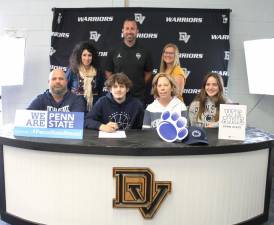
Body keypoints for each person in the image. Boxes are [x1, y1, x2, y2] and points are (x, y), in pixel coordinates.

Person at [105, 18, 153, 104]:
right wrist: (116, 86)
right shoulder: (114, 50)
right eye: (127, 28)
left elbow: (148, 72)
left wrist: (140, 84)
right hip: (118, 96)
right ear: (123, 31)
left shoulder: (145, 51)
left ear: (137, 31)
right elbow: (108, 72)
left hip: (138, 97)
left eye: (132, 28)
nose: (129, 31)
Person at [66, 41, 105, 112]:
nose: (87, 58)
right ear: (79, 56)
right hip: (76, 108)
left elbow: (100, 90)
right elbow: (66, 88)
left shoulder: (98, 71)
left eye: (89, 55)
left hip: (94, 108)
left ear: (93, 56)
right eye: (84, 55)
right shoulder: (73, 70)